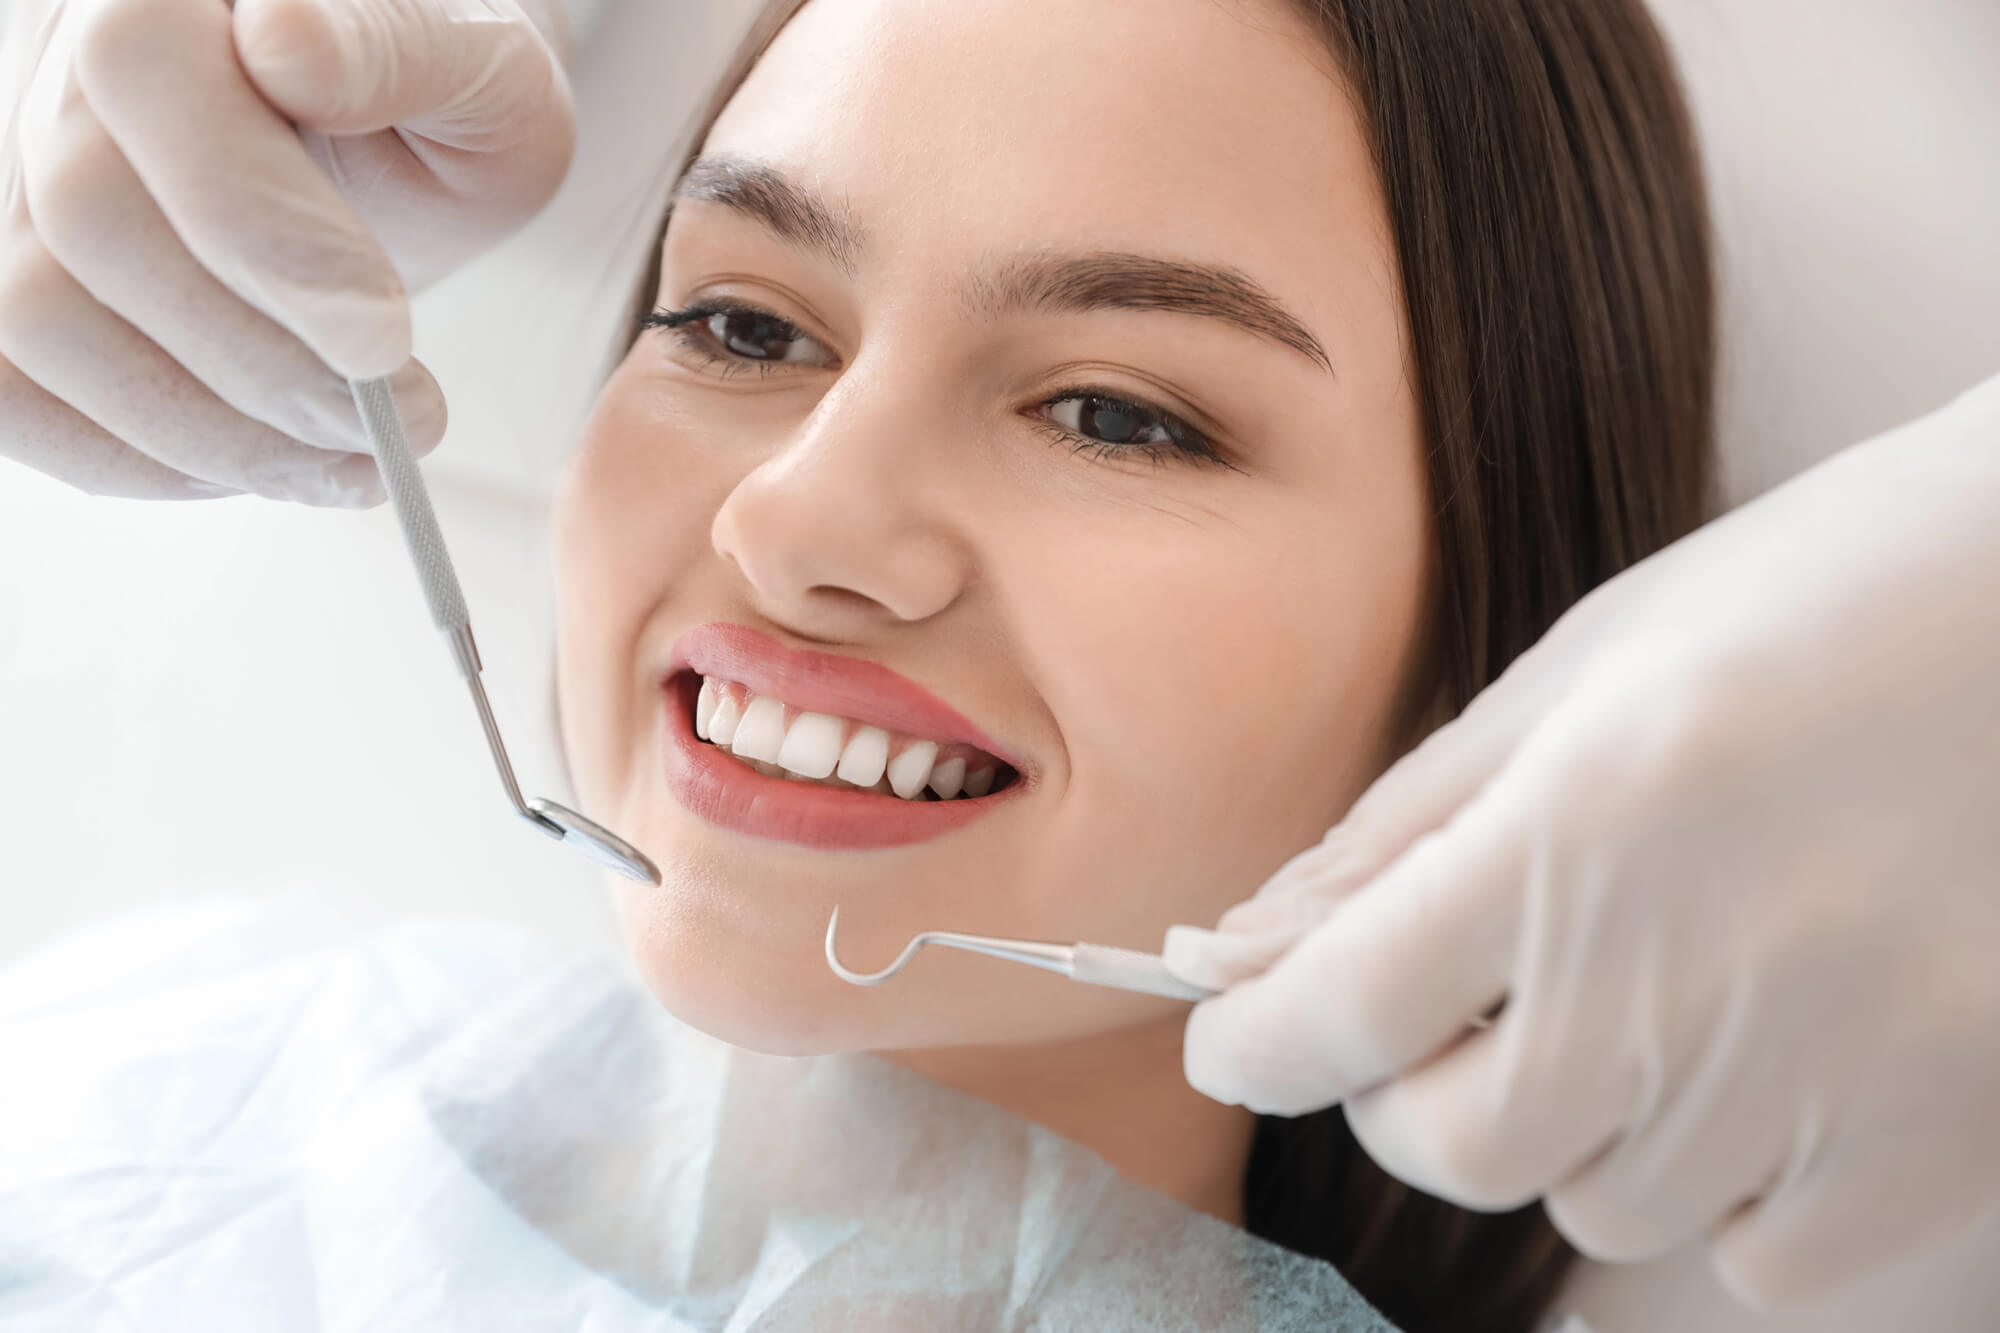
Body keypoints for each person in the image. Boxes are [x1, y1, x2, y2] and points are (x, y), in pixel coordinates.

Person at [0, 1, 1993, 1331]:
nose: (798, 524)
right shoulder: (145, 1070)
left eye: (1118, 415)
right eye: (744, 325)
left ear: (1498, 648)